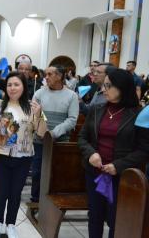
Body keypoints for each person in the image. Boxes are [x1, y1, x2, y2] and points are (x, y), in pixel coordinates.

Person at [78, 68, 149, 238]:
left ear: (122, 88)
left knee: (115, 220)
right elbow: (82, 137)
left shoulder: (137, 114)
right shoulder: (97, 109)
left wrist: (118, 165)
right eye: (104, 85)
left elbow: (144, 150)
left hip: (121, 177)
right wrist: (91, 154)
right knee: (94, 216)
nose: (103, 89)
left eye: (108, 85)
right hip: (95, 173)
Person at [0, 72, 46, 238]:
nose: (12, 88)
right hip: (0, 155)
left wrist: (39, 114)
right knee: (1, 192)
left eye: (16, 84)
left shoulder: (32, 107)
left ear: (23, 87)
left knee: (15, 193)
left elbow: (42, 132)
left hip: (23, 157)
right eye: (9, 85)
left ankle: (11, 224)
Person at [30, 64, 79, 202]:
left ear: (60, 76)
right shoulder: (39, 93)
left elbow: (72, 119)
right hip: (40, 139)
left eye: (50, 74)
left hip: (60, 140)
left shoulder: (71, 96)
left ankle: (55, 200)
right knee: (38, 171)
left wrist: (54, 133)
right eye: (46, 74)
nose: (46, 77)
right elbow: (33, 116)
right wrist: (43, 132)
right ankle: (36, 199)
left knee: (57, 171)